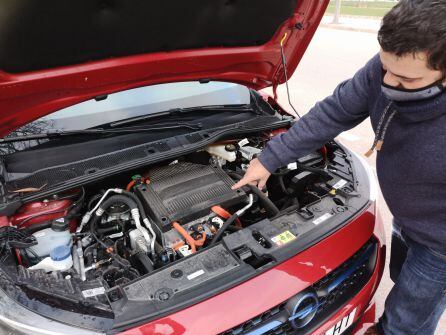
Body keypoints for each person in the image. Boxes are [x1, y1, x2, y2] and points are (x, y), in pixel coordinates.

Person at [232, 1, 446, 334]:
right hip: (408, 218)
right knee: (402, 278)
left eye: (404, 79)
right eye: (384, 67)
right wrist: (268, 158)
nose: (386, 83)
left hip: (440, 243)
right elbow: (334, 112)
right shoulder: (386, 69)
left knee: (408, 319)